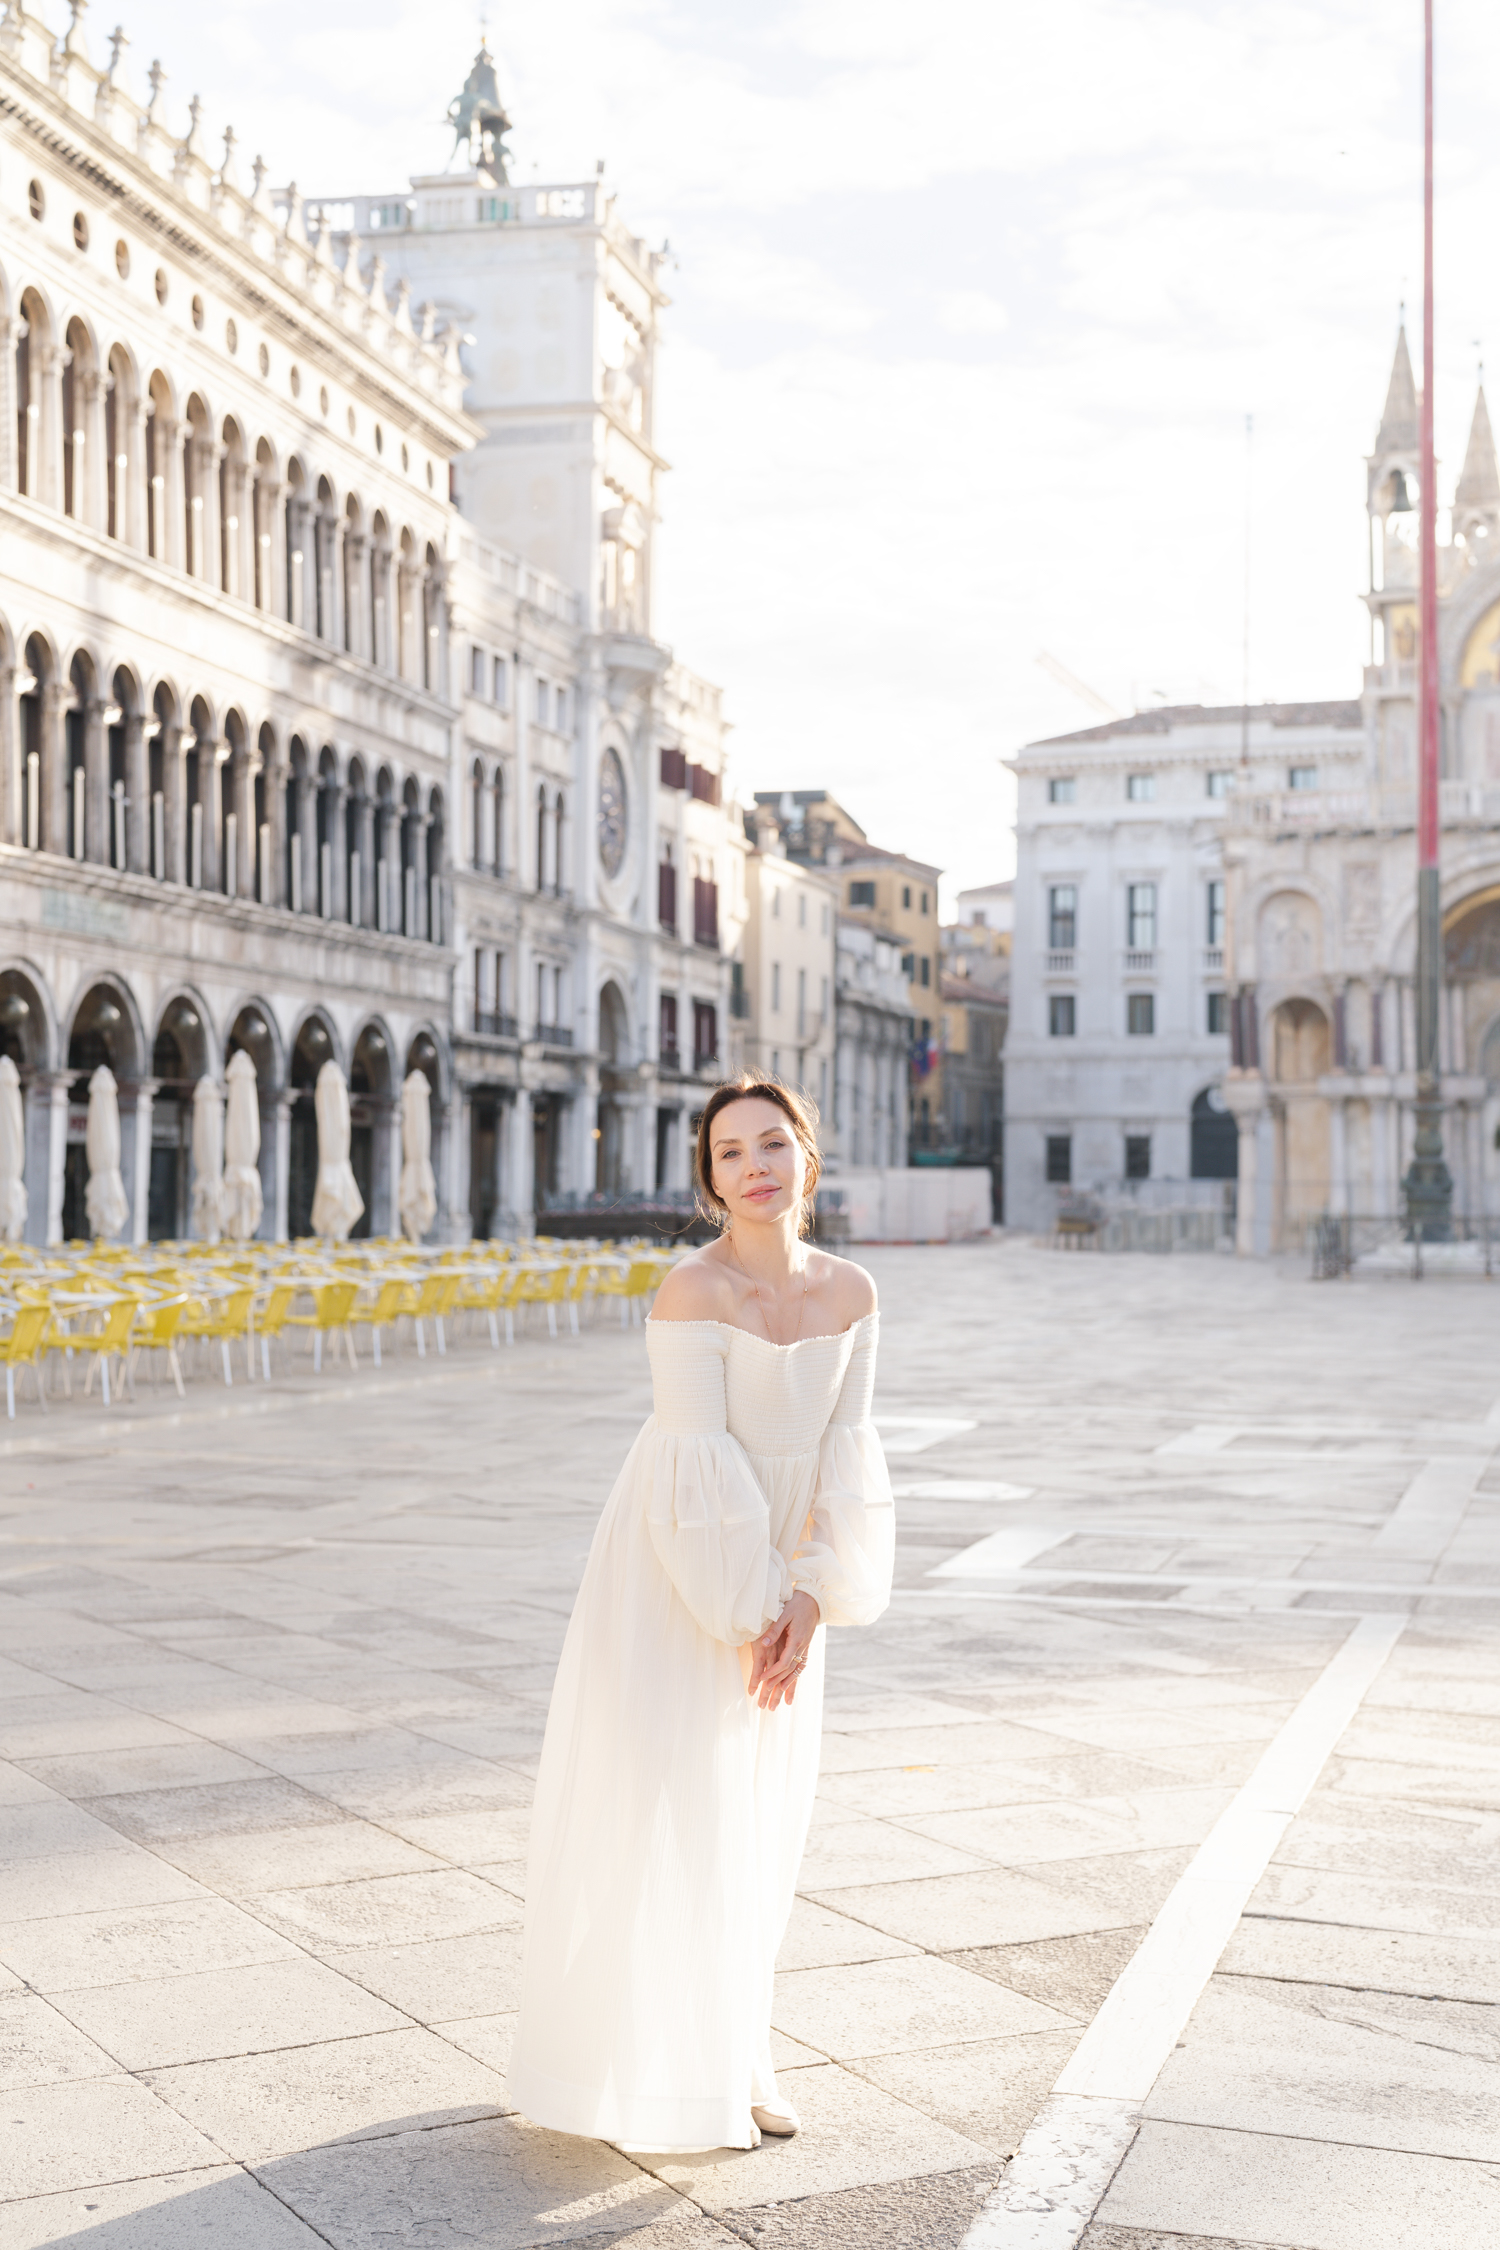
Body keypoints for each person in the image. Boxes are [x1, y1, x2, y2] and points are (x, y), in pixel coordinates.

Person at [509, 1074, 895, 2153]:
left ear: (808, 1155)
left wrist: (811, 1602)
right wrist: (754, 1615)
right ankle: (641, 2058)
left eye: (773, 1144)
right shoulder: (690, 1292)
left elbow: (849, 1465)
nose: (756, 1167)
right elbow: (694, 1475)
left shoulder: (854, 1293)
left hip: (789, 1582)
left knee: (765, 1819)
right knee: (678, 1810)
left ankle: (743, 2052)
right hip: (682, 1574)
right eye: (731, 1154)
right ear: (710, 1178)